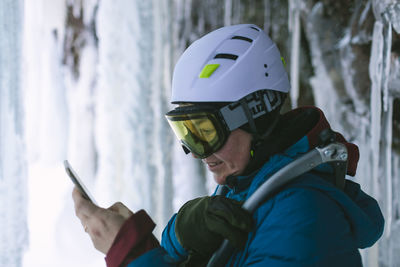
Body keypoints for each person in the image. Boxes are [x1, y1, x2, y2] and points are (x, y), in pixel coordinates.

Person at [72, 24, 384, 267]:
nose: (196, 152)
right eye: (187, 133)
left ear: (255, 116)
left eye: (205, 131)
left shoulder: (301, 216)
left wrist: (131, 251)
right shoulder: (252, 187)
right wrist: (183, 233)